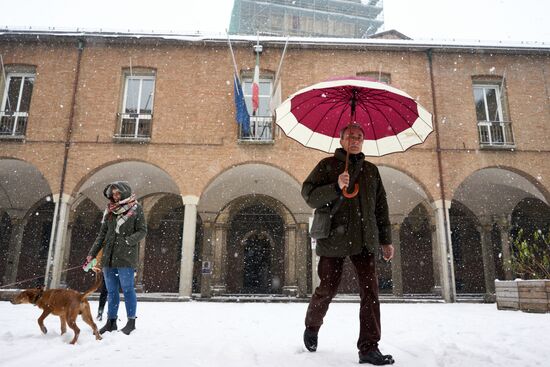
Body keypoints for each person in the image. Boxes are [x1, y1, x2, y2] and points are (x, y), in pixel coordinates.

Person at [301, 123, 395, 365]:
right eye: (350, 136)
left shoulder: (372, 171)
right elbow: (309, 195)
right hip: (334, 237)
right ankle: (312, 325)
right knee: (327, 288)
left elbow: (381, 208)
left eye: (359, 137)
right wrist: (335, 186)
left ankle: (368, 347)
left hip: (365, 239)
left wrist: (386, 239)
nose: (355, 140)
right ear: (341, 139)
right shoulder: (327, 166)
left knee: (370, 292)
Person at [84, 181, 147, 335]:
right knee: (111, 292)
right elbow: (102, 234)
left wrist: (127, 241)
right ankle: (111, 322)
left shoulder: (136, 208)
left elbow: (142, 231)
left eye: (118, 193)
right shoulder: (110, 211)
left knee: (127, 289)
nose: (115, 196)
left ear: (125, 192)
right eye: (113, 193)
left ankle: (131, 322)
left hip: (126, 258)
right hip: (108, 257)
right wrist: (92, 253)